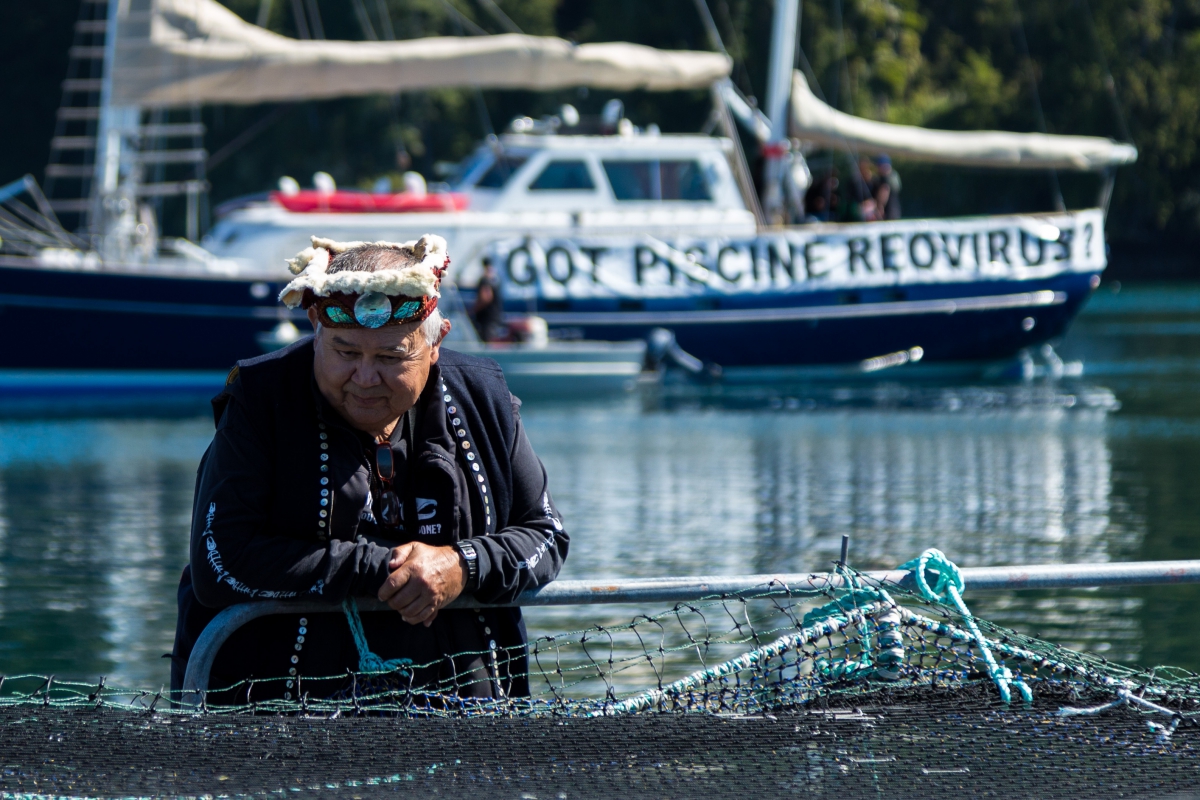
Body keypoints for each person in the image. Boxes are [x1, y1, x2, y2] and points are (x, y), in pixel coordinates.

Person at [170, 234, 569, 703]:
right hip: (279, 721)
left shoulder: (483, 399)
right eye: (345, 353)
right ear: (316, 328)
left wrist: (460, 566)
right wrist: (385, 569)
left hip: (466, 716)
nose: (364, 378)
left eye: (390, 357)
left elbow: (546, 535)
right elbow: (221, 561)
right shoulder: (262, 402)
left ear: (435, 342)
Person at [472, 256, 506, 342]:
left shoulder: (485, 280)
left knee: (487, 343)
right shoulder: (495, 279)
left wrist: (473, 310)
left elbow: (486, 297)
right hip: (495, 317)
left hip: (487, 320)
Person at [873, 155, 902, 220]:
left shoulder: (885, 177)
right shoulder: (894, 175)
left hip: (887, 213)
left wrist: (880, 207)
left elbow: (885, 190)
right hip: (895, 212)